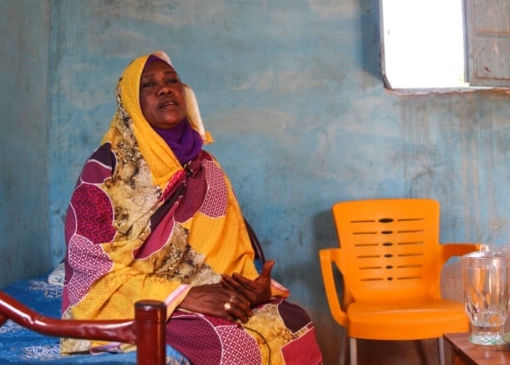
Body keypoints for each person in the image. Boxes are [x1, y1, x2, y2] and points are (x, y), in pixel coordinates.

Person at [61, 51, 323, 365]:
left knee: (294, 320)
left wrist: (254, 290)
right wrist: (183, 296)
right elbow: (92, 268)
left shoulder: (207, 168)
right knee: (233, 346)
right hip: (141, 299)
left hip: (205, 288)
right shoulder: (107, 169)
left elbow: (229, 255)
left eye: (172, 81)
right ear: (131, 102)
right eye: (149, 84)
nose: (165, 88)